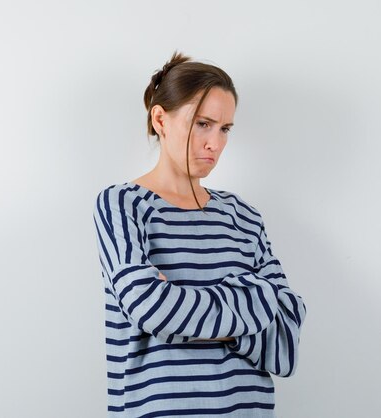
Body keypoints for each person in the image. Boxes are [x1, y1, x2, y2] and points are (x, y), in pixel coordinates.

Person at [92, 50, 307, 417]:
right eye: (202, 124)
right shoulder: (123, 204)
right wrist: (252, 299)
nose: (216, 143)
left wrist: (181, 300)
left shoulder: (244, 216)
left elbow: (286, 343)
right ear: (161, 119)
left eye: (225, 129)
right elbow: (150, 308)